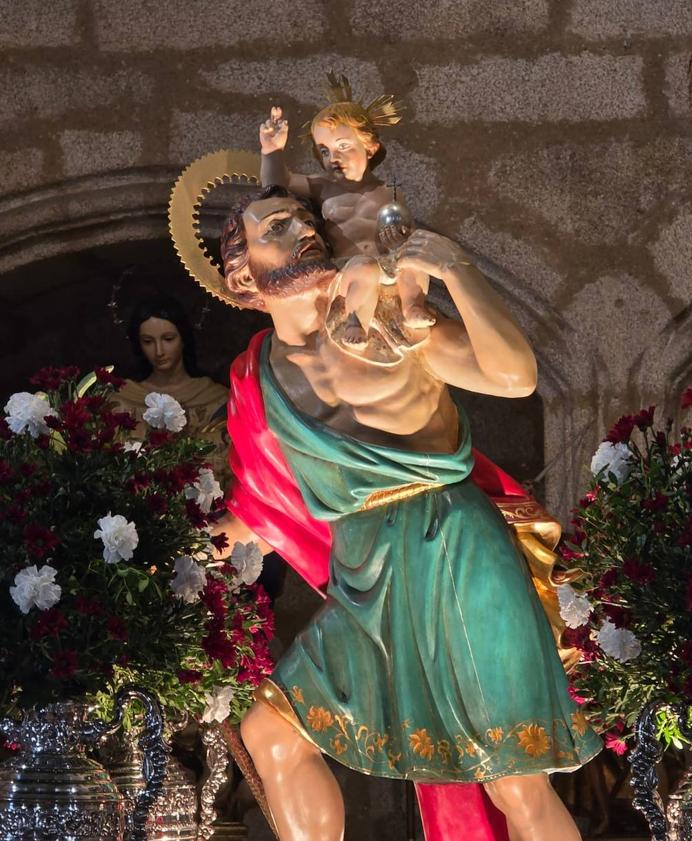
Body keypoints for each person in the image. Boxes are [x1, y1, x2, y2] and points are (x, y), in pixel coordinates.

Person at [191, 184, 601, 841]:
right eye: (276, 226)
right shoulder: (255, 374)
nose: (301, 231)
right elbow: (264, 501)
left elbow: (514, 378)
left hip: (455, 550)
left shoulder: (381, 321)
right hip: (367, 579)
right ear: (242, 274)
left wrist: (453, 267)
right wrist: (203, 548)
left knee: (511, 776)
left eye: (302, 220)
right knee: (271, 732)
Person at [260, 73, 433, 350]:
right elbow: (275, 185)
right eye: (325, 151)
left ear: (370, 147)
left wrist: (401, 242)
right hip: (347, 269)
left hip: (387, 264)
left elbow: (404, 230)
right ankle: (355, 321)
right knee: (365, 267)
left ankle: (412, 306)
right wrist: (271, 151)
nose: (333, 158)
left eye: (343, 147)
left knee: (414, 261)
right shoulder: (322, 187)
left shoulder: (390, 191)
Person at [113, 294, 230, 486]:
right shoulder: (121, 401)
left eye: (168, 339)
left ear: (183, 338)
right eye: (148, 342)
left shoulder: (216, 399)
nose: (159, 351)